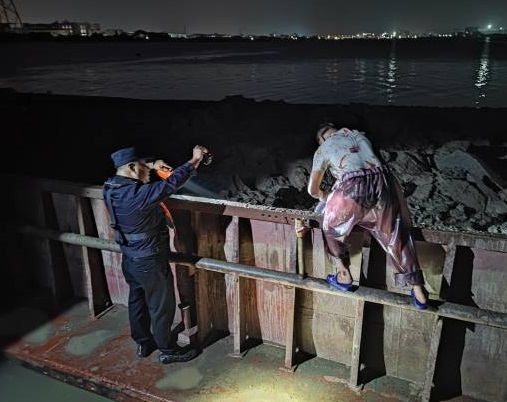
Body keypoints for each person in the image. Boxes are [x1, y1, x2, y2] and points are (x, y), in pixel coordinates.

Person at [103, 145, 208, 363]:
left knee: (137, 301)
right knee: (161, 306)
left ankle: (143, 343)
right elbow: (172, 183)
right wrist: (195, 160)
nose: (149, 173)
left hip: (130, 258)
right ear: (132, 168)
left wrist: (152, 164)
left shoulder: (111, 186)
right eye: (144, 168)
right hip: (149, 261)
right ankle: (168, 350)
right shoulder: (138, 195)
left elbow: (140, 171)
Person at [307, 123, 429, 309]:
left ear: (321, 139)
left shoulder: (323, 148)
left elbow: (313, 190)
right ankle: (419, 292)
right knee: (396, 235)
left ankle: (344, 274)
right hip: (383, 183)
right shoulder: (360, 136)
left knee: (331, 227)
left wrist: (327, 197)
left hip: (353, 187)